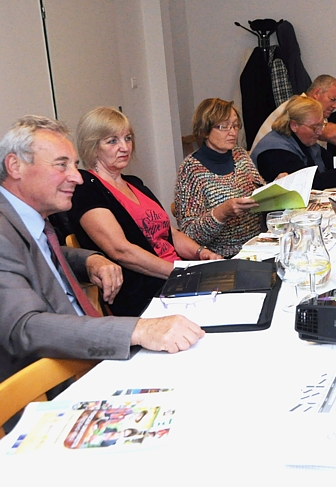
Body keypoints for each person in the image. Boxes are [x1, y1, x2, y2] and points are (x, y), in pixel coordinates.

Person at [0, 115, 205, 385]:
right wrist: (137, 330)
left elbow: (40, 255)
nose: (77, 177)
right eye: (62, 165)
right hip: (49, 382)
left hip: (84, 355)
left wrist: (90, 259)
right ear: (15, 166)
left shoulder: (30, 220)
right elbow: (25, 328)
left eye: (74, 165)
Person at [67, 107, 222, 318]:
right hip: (145, 291)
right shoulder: (86, 187)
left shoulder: (134, 183)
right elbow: (121, 250)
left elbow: (169, 232)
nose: (125, 147)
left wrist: (201, 253)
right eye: (112, 141)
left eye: (128, 138)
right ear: (92, 147)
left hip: (175, 277)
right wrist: (181, 273)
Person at [175, 98, 264, 258]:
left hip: (258, 247)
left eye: (235, 125)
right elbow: (189, 235)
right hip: (222, 256)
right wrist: (222, 212)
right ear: (205, 130)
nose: (233, 132)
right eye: (224, 126)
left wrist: (276, 185)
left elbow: (259, 192)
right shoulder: (191, 170)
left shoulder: (240, 155)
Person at [253, 95, 336, 189]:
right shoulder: (274, 152)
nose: (319, 132)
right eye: (315, 127)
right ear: (294, 125)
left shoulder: (304, 140)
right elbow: (310, 183)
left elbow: (332, 164)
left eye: (321, 125)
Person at [249, 75, 336, 155]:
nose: (335, 106)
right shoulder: (301, 107)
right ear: (317, 93)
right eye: (332, 100)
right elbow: (331, 134)